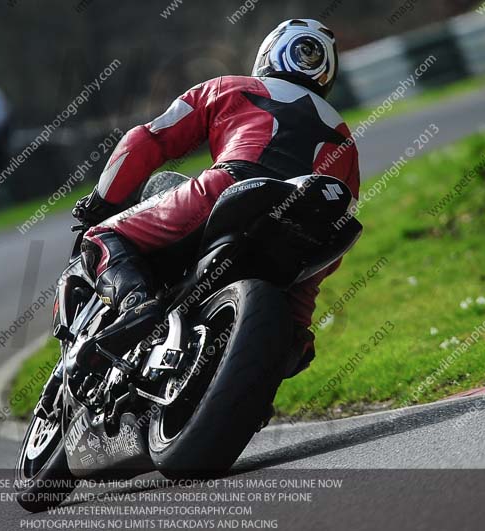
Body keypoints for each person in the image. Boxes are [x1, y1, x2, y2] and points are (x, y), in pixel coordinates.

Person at [39, 19, 360, 419]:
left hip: (227, 187)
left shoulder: (232, 86)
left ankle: (137, 304)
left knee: (103, 236)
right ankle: (260, 370)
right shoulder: (345, 139)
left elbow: (149, 139)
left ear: (268, 53)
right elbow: (332, 237)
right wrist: (298, 320)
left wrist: (104, 200)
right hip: (298, 227)